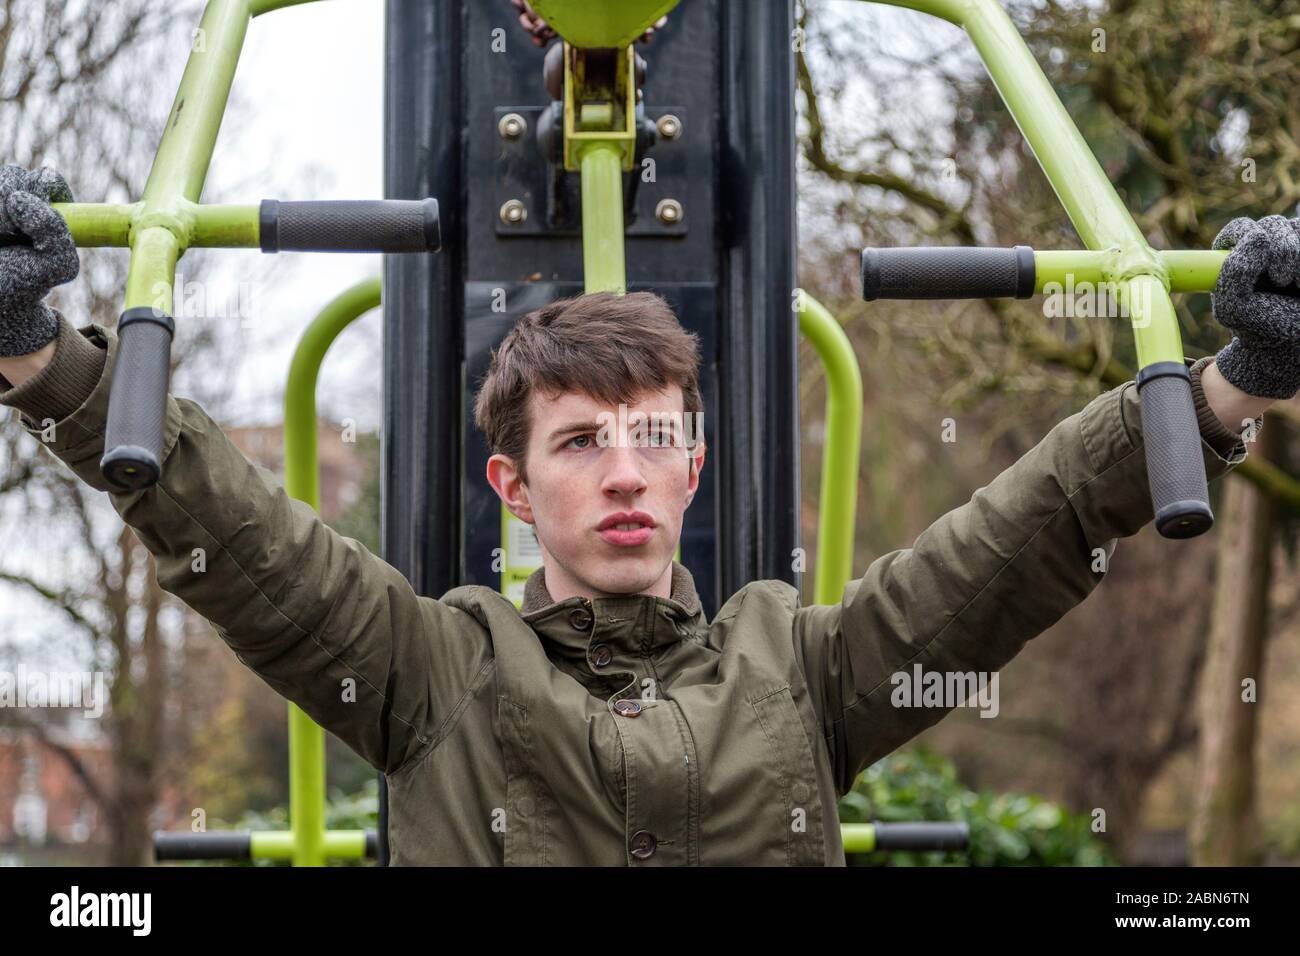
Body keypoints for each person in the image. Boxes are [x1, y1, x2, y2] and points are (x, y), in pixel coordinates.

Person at [0, 164, 1294, 865]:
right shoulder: (434, 672)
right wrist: (41, 360)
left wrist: (1232, 383)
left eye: (652, 437)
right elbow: (251, 547)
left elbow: (1012, 543)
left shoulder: (801, 672)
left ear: (694, 464)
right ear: (512, 485)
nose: (623, 471)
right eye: (579, 441)